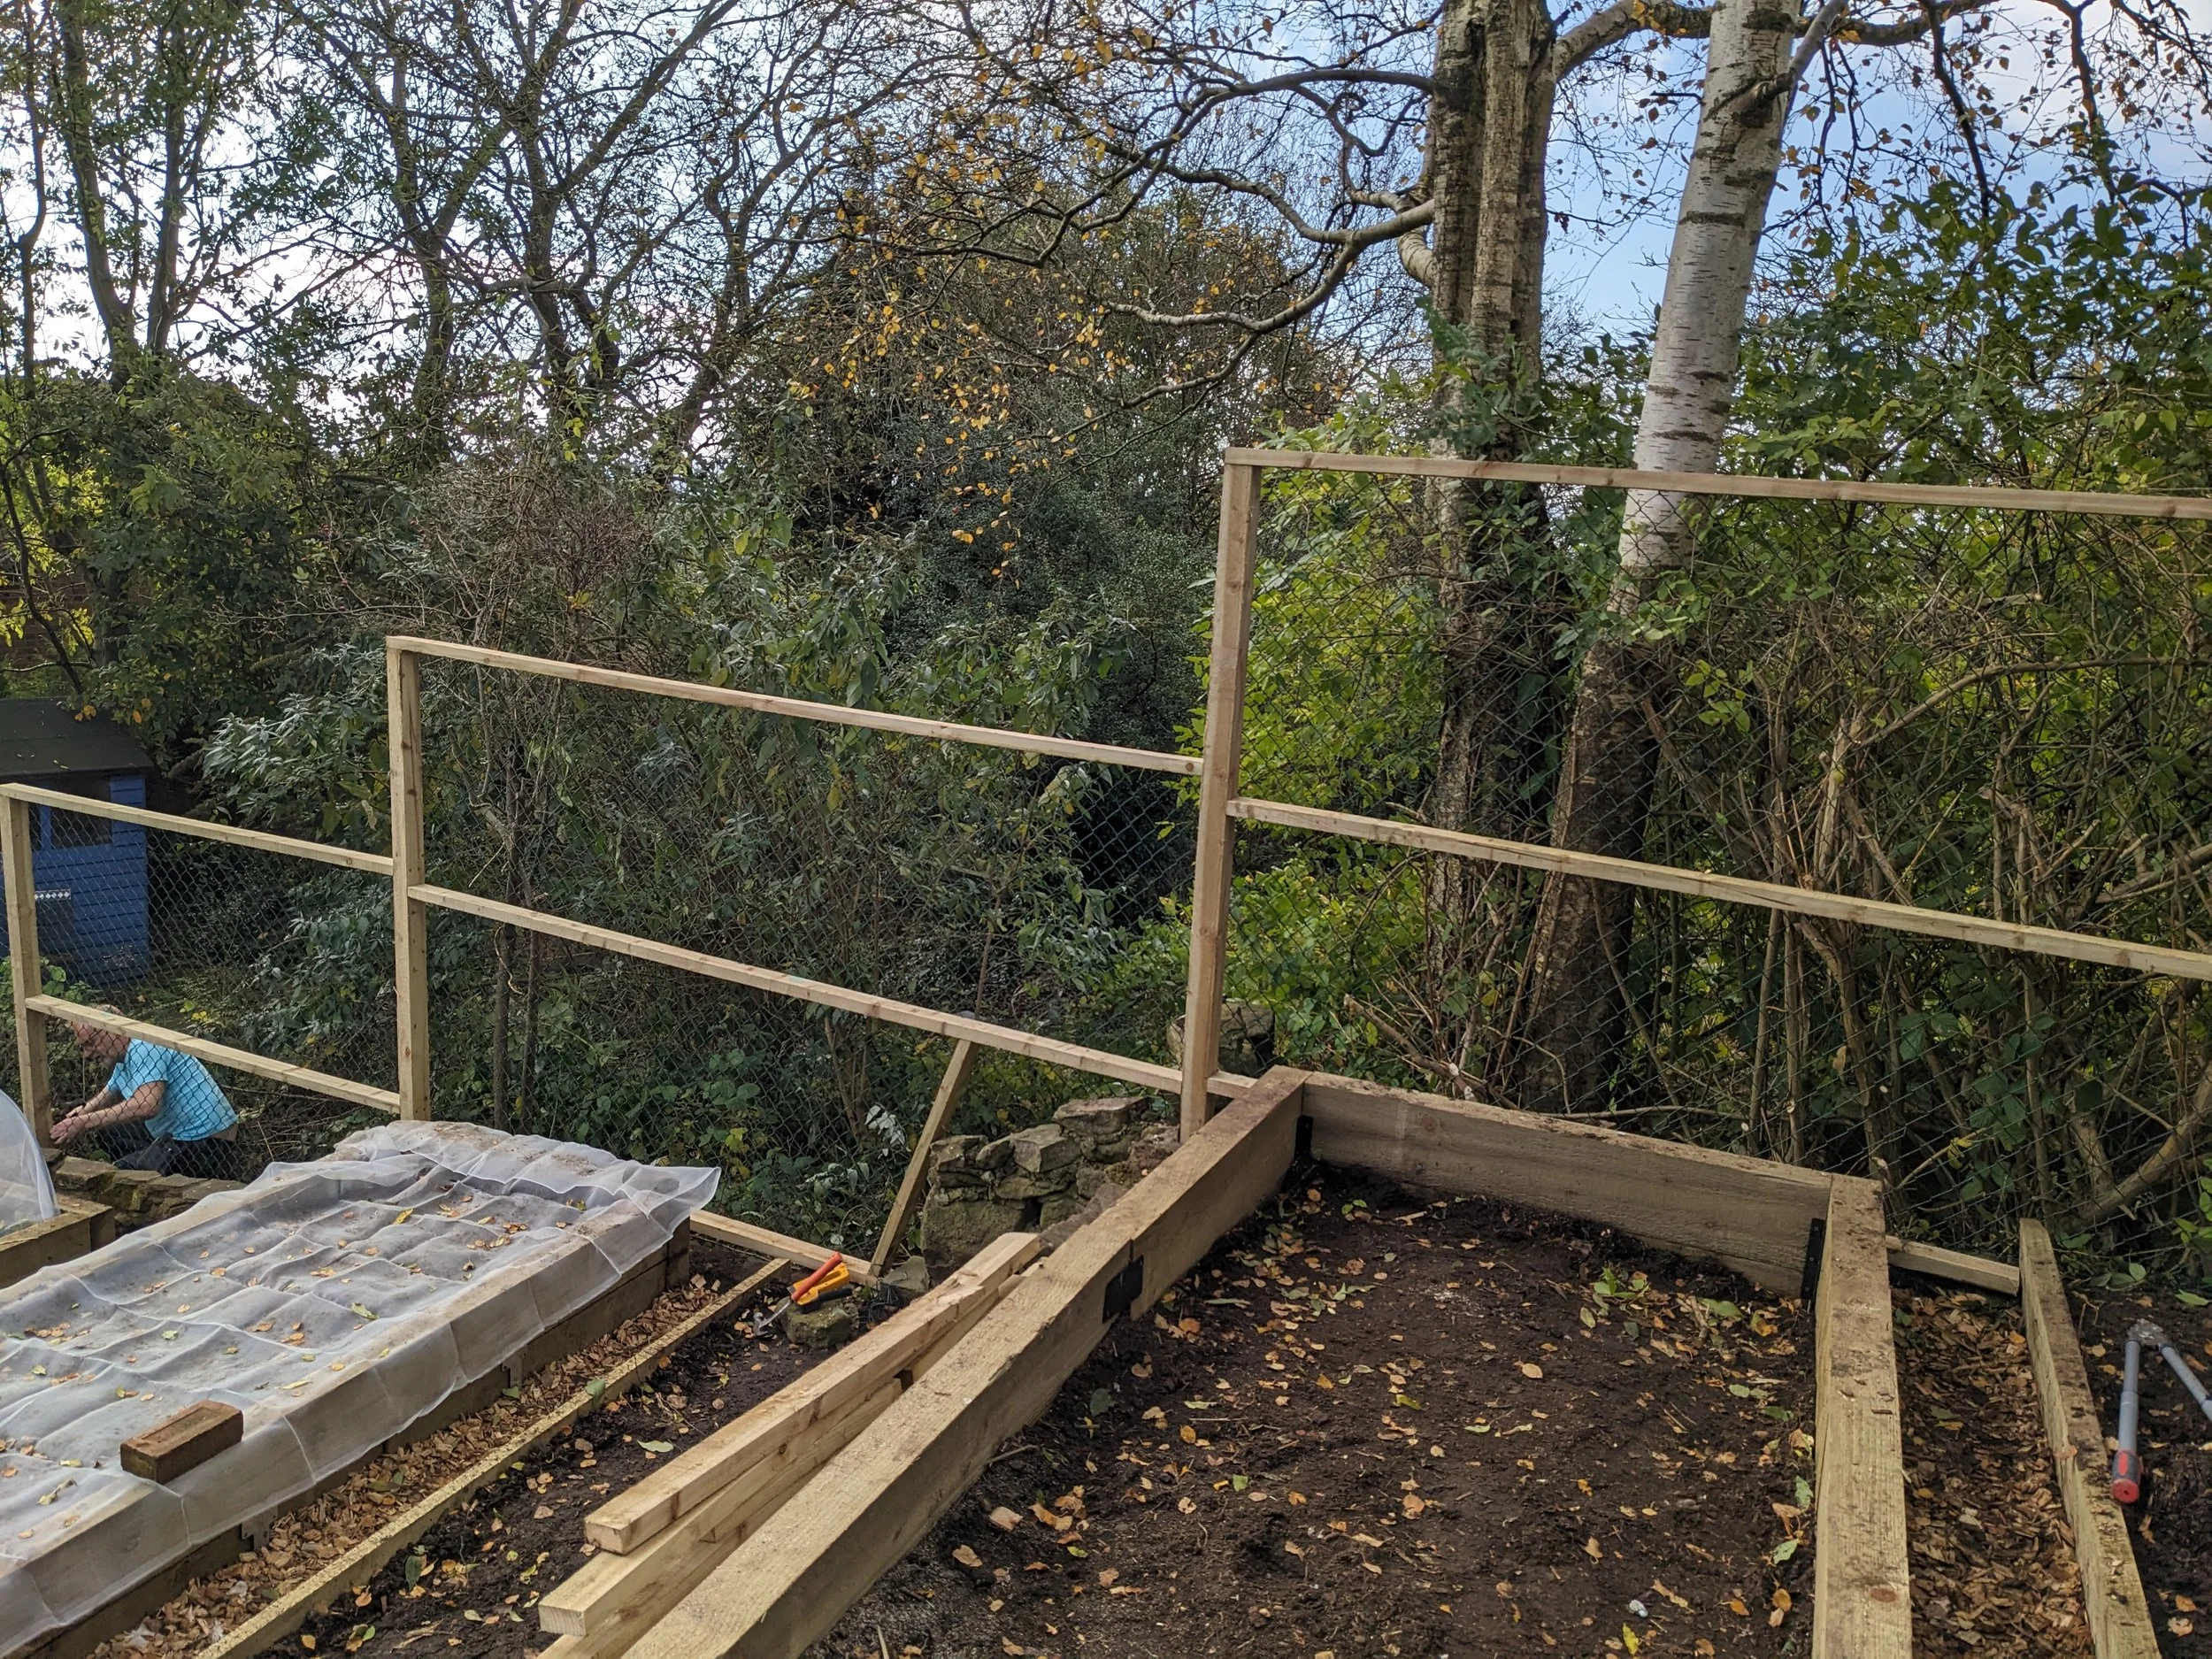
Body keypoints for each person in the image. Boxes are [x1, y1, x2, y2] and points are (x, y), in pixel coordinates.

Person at [50, 1015, 245, 1180]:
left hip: (205, 1141)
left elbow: (147, 1106)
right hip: (178, 1136)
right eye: (82, 1046)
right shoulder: (123, 1057)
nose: (87, 1054)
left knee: (123, 1175)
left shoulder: (144, 1046)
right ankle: (149, 1160)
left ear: (113, 1030)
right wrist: (79, 1116)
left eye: (90, 1043)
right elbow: (109, 1092)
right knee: (110, 1131)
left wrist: (83, 1123)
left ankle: (143, 1171)